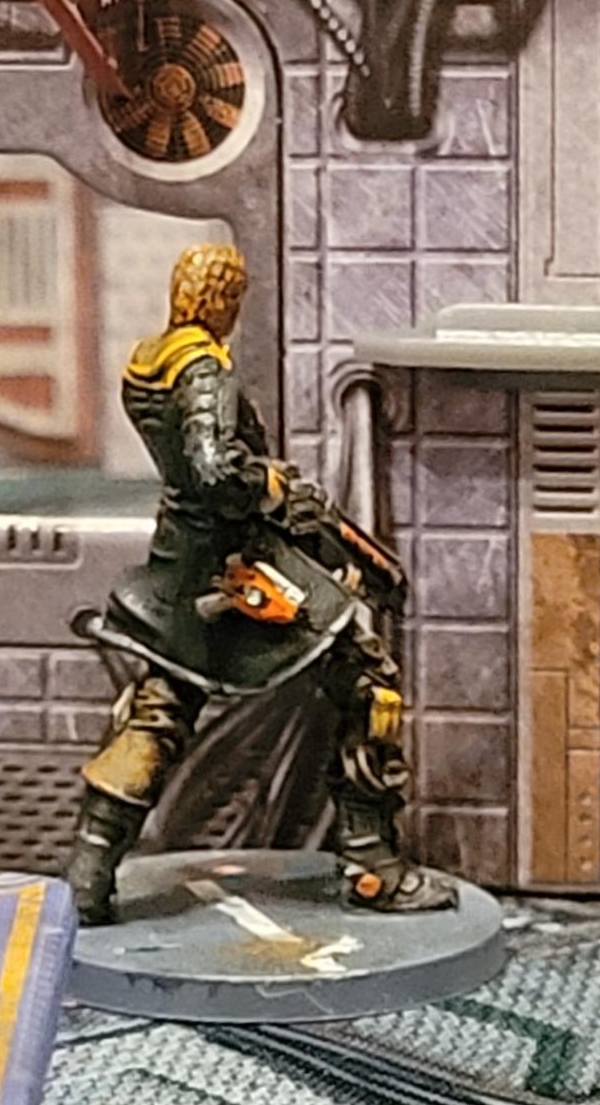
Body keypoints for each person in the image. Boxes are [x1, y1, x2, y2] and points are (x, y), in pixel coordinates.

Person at [66, 243, 457, 925]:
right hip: (237, 570)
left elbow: (192, 472)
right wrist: (271, 489)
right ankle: (373, 865)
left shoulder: (147, 362)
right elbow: (214, 470)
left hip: (178, 564)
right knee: (369, 686)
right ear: (222, 300)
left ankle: (86, 876)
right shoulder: (203, 369)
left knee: (158, 710)